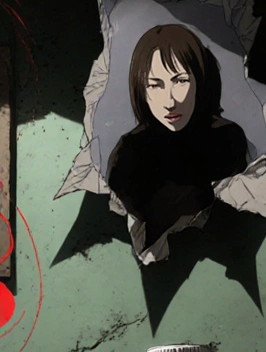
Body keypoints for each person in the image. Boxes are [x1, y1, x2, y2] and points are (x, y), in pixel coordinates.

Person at [106, 24, 249, 247]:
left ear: (199, 80)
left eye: (180, 81)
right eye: (155, 85)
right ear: (141, 90)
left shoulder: (228, 140)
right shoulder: (128, 154)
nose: (170, 101)